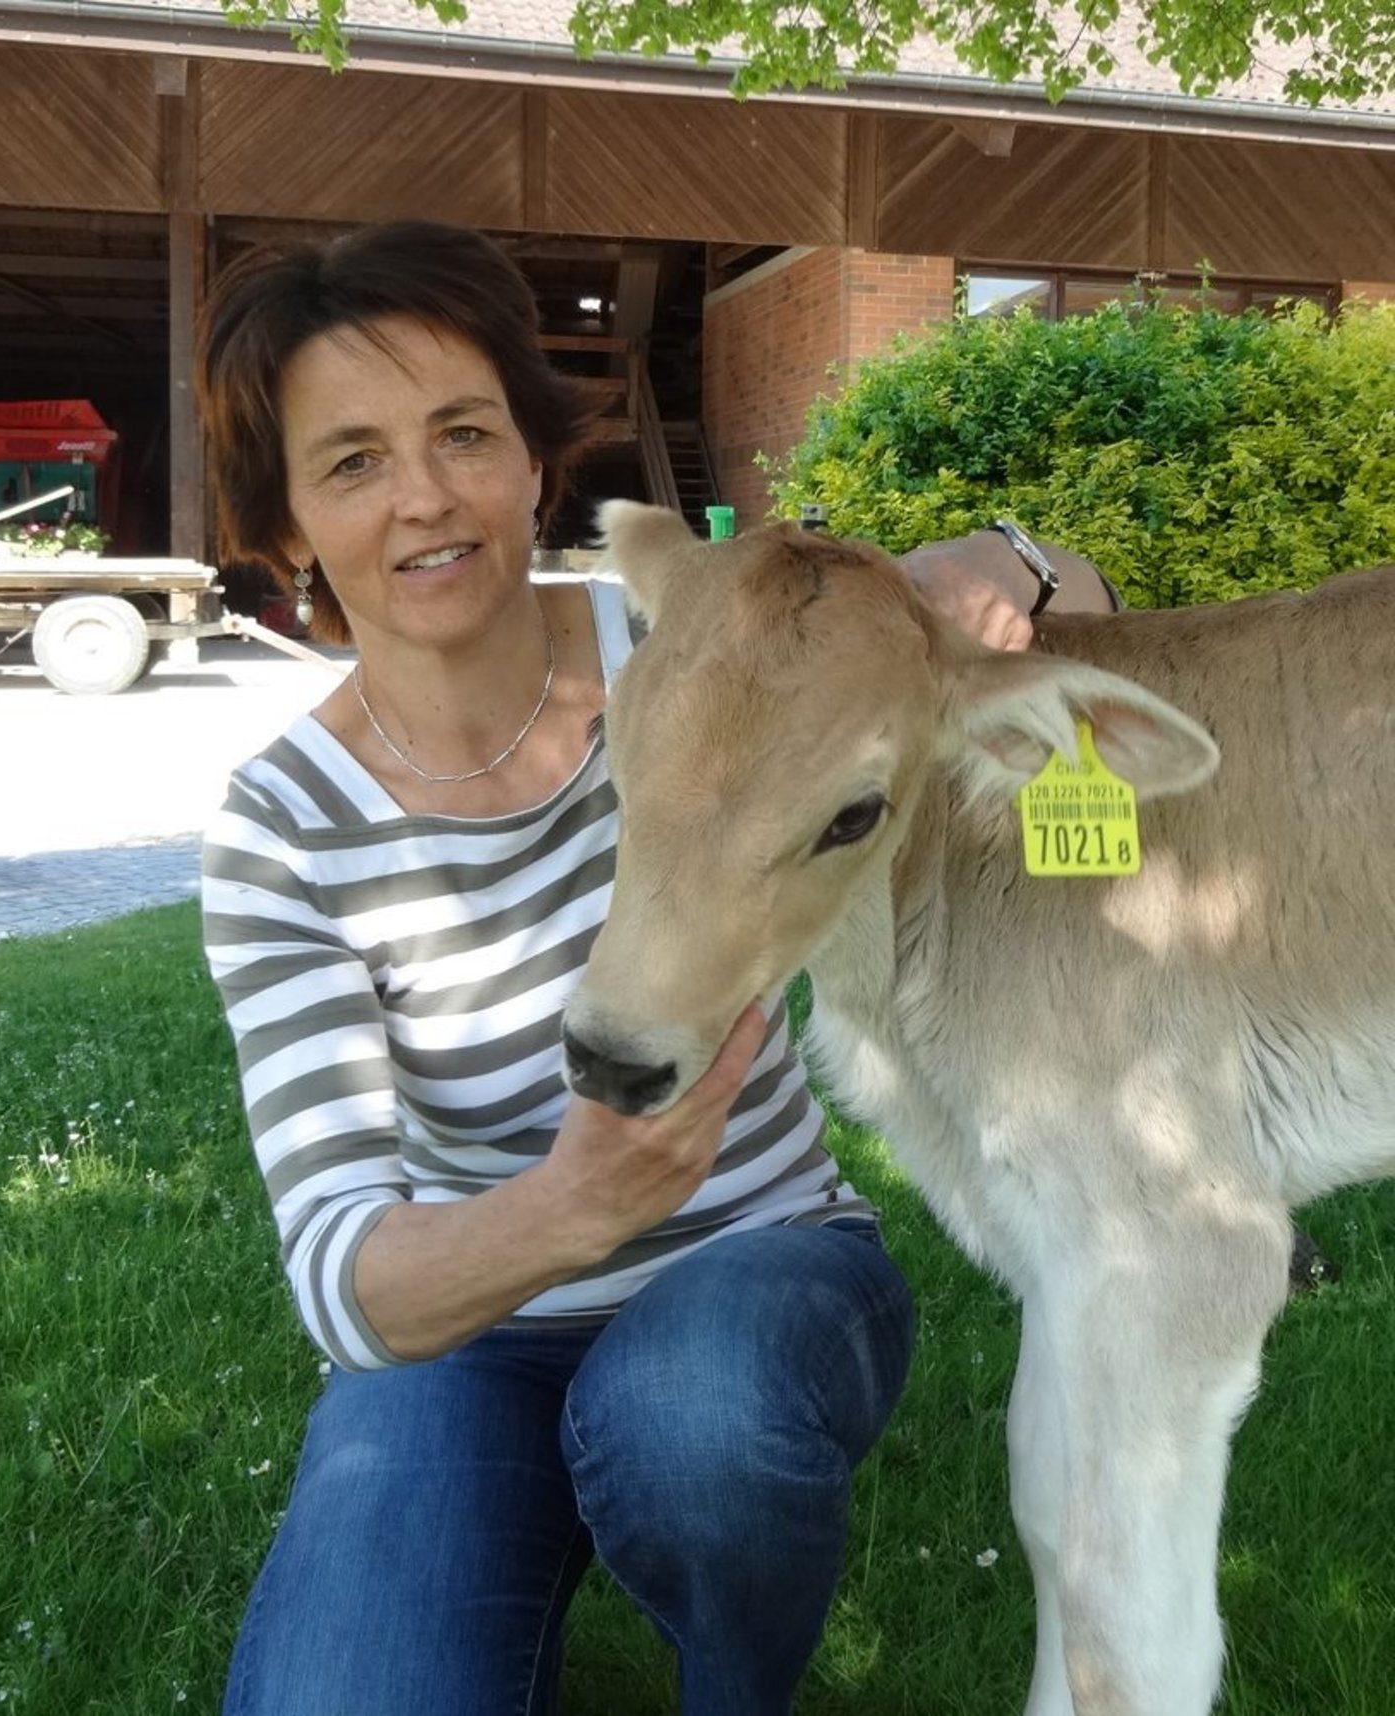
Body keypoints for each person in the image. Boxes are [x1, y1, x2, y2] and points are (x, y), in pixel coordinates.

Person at [196, 219, 1119, 1716]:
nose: (426, 495)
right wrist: (576, 1206)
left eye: (464, 433)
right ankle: (526, 1503)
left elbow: (1060, 594)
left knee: (697, 1421)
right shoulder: (280, 831)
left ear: (535, 459)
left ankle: (734, 1683)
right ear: (286, 522)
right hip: (469, 1340)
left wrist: (1003, 562)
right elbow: (343, 1280)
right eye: (353, 460)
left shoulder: (687, 639)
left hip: (765, 1273)